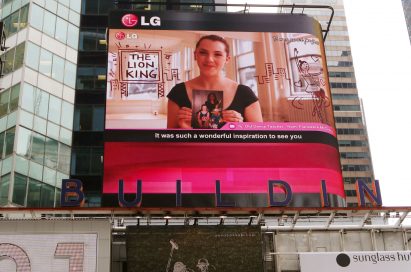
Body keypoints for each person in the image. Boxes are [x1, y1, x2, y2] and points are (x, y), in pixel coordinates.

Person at [167, 34, 263, 128]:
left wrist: (240, 127)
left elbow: (261, 138)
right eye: (203, 53)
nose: (209, 59)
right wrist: (183, 129)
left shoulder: (245, 93)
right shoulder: (178, 92)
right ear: (195, 55)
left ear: (227, 59)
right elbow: (167, 141)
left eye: (217, 54)